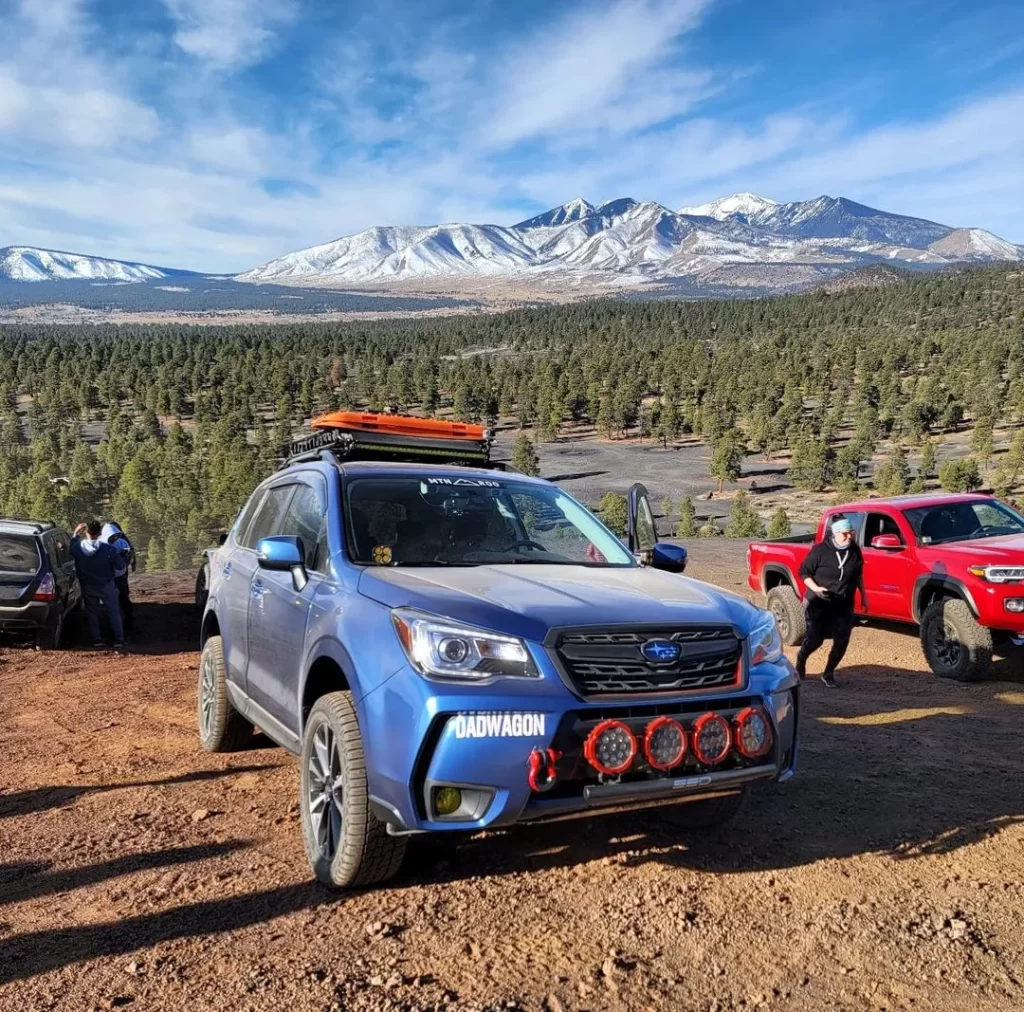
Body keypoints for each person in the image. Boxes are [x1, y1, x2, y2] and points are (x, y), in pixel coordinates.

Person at [795, 516, 867, 688]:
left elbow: (858, 575)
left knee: (842, 639)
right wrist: (816, 588)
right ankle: (801, 660)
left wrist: (864, 595)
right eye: (845, 534)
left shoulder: (855, 550)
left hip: (843, 602)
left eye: (852, 533)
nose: (849, 536)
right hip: (819, 601)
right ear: (835, 534)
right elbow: (803, 572)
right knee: (815, 639)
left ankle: (828, 673)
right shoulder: (820, 550)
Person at [71, 520, 126, 651]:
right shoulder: (109, 549)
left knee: (92, 613)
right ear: (101, 533)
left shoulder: (77, 549)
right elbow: (121, 567)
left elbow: (71, 546)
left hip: (88, 585)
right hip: (107, 585)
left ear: (85, 532)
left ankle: (97, 640)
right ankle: (119, 640)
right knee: (114, 612)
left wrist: (75, 533)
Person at [101, 521, 136, 634]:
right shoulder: (105, 541)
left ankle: (126, 620)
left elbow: (129, 555)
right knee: (116, 599)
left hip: (117, 575)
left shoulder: (121, 541)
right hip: (113, 575)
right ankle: (119, 622)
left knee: (121, 597)